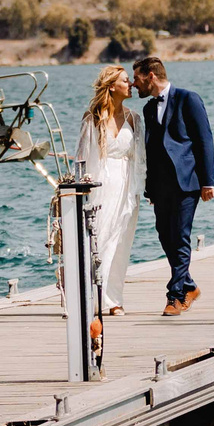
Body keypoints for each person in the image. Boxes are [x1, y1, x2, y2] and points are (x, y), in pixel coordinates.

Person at [132, 55, 214, 316]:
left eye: (137, 78)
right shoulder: (148, 108)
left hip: (186, 182)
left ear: (151, 76)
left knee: (179, 237)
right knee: (165, 236)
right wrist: (150, 187)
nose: (134, 84)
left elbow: (204, 140)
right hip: (160, 186)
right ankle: (190, 286)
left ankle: (175, 296)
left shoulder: (188, 99)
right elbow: (151, 149)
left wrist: (208, 181)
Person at [72, 64, 143, 313]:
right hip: (100, 184)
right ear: (112, 86)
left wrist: (142, 188)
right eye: (125, 81)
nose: (130, 84)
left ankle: (113, 300)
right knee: (99, 239)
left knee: (121, 242)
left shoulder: (134, 118)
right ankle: (91, 297)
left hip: (127, 185)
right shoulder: (92, 117)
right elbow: (81, 156)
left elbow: (141, 158)